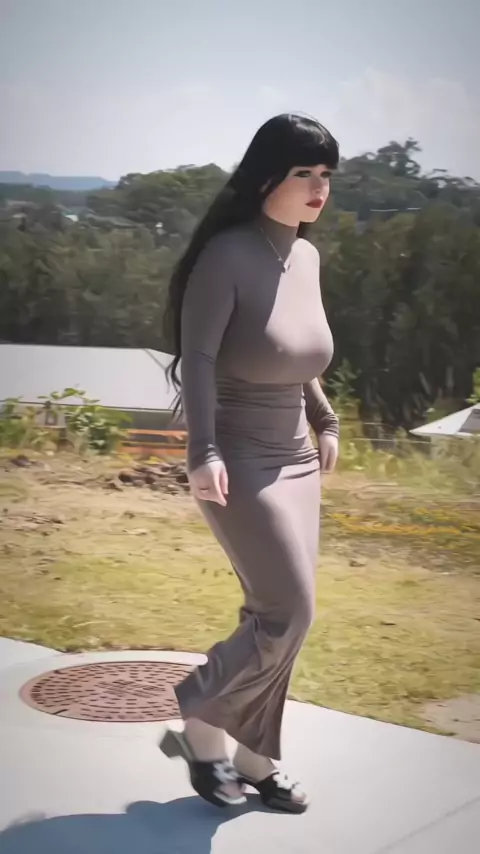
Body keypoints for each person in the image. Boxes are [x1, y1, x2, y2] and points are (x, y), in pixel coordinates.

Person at [160, 113, 340, 814]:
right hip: (236, 458)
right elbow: (199, 359)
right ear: (267, 178)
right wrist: (201, 450)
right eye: (303, 173)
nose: (319, 187)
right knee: (288, 610)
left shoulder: (306, 257)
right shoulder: (227, 255)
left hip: (297, 459)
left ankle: (256, 760)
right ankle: (201, 721)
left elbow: (296, 355)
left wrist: (325, 418)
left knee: (280, 618)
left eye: (326, 175)